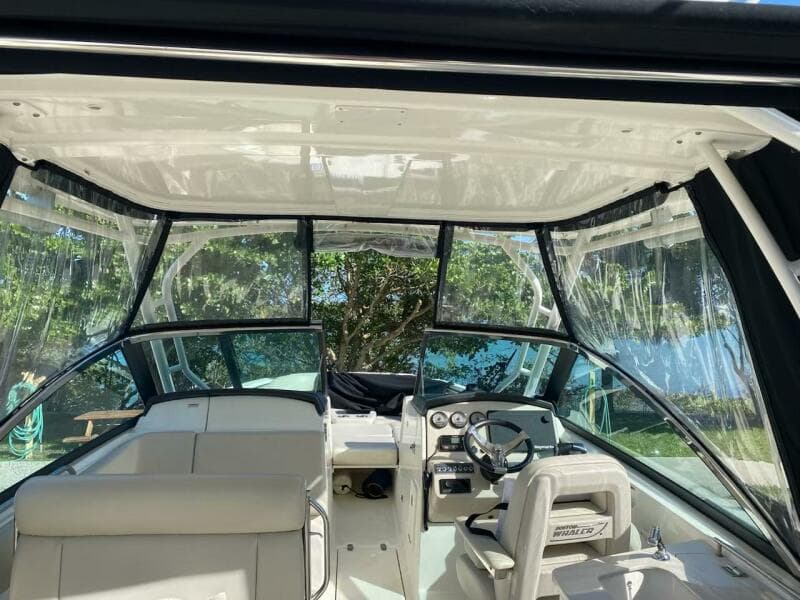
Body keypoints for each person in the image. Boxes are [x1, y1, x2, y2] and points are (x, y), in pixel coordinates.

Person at [5, 366, 52, 459]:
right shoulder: (26, 378)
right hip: (27, 394)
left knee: (30, 422)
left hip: (32, 394)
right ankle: (28, 452)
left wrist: (32, 384)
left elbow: (41, 380)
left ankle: (28, 452)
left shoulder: (40, 376)